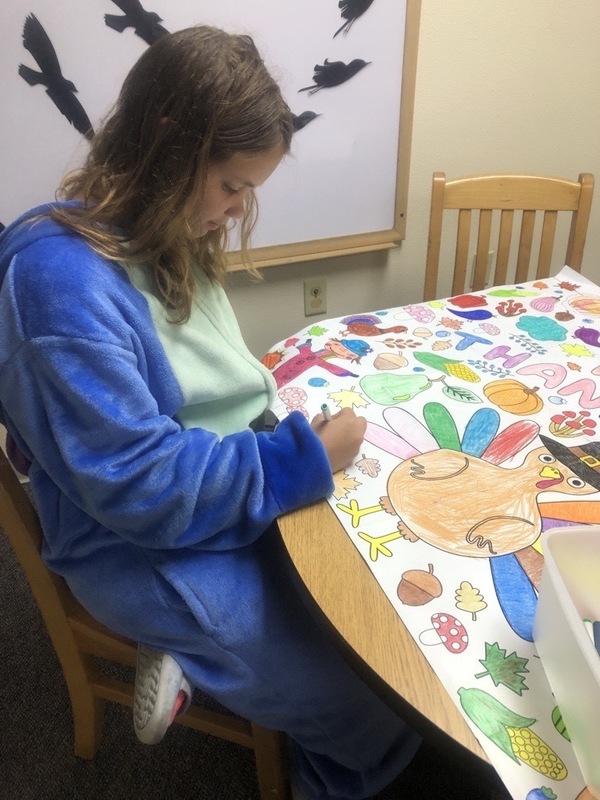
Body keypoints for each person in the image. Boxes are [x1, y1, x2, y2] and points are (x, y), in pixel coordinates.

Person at [0, 25, 421, 800]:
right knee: (366, 697)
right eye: (231, 186)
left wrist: (282, 444)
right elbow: (136, 487)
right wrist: (295, 461)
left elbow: (206, 384)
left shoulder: (152, 224)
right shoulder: (56, 287)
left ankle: (203, 657)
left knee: (374, 589)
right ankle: (330, 769)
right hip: (127, 540)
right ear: (168, 154)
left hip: (198, 481)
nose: (234, 211)